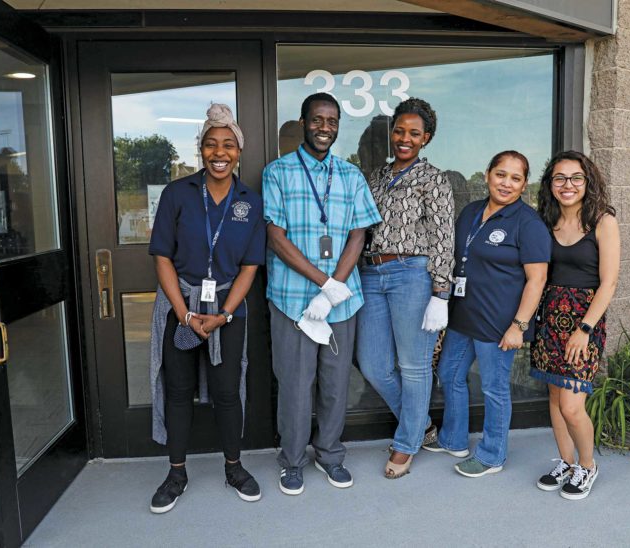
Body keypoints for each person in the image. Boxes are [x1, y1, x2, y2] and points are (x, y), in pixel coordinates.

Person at [147, 104, 266, 513]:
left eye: (228, 145)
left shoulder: (250, 200)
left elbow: (250, 266)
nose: (220, 152)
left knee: (227, 393)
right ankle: (176, 473)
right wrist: (184, 314)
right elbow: (162, 256)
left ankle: (234, 468)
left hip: (227, 309)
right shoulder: (177, 194)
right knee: (179, 393)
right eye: (211, 144)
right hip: (181, 305)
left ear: (238, 151)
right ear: (200, 149)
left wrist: (225, 314)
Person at [263, 92, 381, 495]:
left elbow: (358, 234)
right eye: (317, 120)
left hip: (340, 303)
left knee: (335, 384)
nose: (324, 128)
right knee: (295, 385)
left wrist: (333, 290)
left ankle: (330, 454)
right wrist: (321, 282)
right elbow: (276, 238)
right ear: (303, 122)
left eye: (331, 121)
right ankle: (292, 461)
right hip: (292, 299)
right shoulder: (277, 172)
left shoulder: (350, 176)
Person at [422, 150, 550, 477]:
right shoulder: (470, 212)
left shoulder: (527, 223)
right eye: (500, 174)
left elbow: (537, 279)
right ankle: (453, 438)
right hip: (463, 316)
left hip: (499, 324)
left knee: (494, 389)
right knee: (450, 374)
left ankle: (492, 455)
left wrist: (518, 326)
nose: (506, 183)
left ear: (524, 185)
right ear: (488, 174)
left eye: (515, 178)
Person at [356, 97, 454, 479]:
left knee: (414, 366)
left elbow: (444, 237)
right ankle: (421, 424)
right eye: (399, 130)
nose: (404, 138)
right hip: (370, 273)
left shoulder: (434, 179)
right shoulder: (376, 176)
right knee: (373, 365)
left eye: (414, 133)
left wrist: (440, 293)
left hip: (412, 273)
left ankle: (407, 442)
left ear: (426, 138)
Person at [530, 151, 619, 500]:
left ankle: (588, 465)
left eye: (576, 178)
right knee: (554, 397)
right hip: (550, 317)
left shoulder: (603, 221)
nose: (568, 185)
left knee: (571, 405)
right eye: (559, 178)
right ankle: (566, 463)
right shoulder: (545, 220)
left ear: (588, 181)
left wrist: (584, 330)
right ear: (550, 185)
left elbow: (608, 284)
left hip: (584, 322)